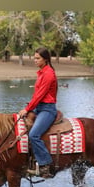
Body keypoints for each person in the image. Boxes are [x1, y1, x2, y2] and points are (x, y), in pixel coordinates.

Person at [18, 47, 58, 178]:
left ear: (45, 59)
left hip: (47, 109)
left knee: (34, 135)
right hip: (39, 107)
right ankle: (27, 161)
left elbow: (40, 95)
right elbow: (36, 95)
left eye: (37, 58)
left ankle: (46, 166)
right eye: (34, 58)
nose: (35, 60)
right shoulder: (41, 72)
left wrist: (28, 109)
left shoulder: (48, 74)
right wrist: (29, 108)